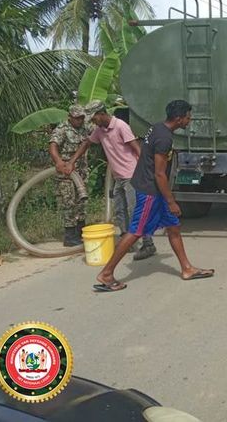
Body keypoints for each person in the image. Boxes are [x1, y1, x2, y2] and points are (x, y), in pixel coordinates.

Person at [93, 100, 214, 292]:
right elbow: (159, 173)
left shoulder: (157, 128)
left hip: (155, 189)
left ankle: (187, 268)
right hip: (150, 190)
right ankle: (106, 273)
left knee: (173, 227)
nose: (189, 121)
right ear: (178, 118)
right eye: (187, 117)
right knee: (136, 231)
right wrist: (171, 201)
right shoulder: (164, 138)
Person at [69, 100, 156, 260]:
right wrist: (71, 162)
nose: (93, 122)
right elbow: (87, 143)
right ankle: (126, 239)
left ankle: (148, 244)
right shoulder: (100, 130)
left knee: (135, 210)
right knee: (119, 210)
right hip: (118, 176)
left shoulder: (121, 126)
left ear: (102, 114)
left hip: (131, 175)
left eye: (94, 118)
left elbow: (136, 147)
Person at [49, 105, 90, 246]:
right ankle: (70, 235)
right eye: (77, 118)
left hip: (82, 172)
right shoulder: (62, 129)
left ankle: (81, 231)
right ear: (70, 117)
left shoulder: (85, 128)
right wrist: (59, 162)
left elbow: (87, 142)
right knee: (69, 202)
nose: (80, 120)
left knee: (82, 202)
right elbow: (53, 146)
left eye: (82, 118)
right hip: (66, 174)